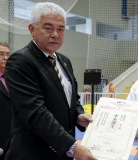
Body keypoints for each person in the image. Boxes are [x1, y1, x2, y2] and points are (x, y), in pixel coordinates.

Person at [4, 2, 97, 160]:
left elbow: (72, 100)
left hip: (61, 153)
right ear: (32, 29)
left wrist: (79, 115)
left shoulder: (64, 61)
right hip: (33, 154)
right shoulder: (20, 61)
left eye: (60, 29)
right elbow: (35, 113)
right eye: (48, 28)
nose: (55, 34)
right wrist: (72, 146)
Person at [0, 42, 12, 160]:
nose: (5, 57)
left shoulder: (14, 78)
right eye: (1, 54)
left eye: (8, 54)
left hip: (15, 140)